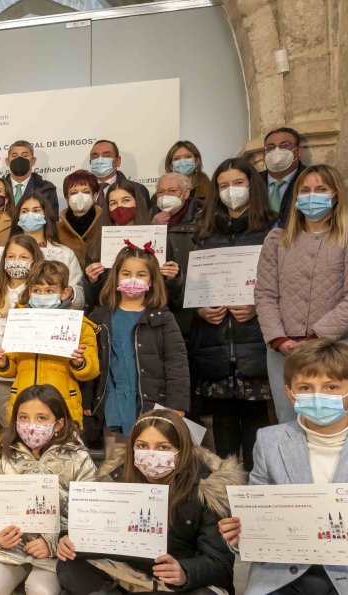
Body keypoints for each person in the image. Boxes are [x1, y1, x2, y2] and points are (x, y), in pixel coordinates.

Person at [217, 340, 348, 595]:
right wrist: (241, 535)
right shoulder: (269, 441)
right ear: (291, 394)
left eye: (331, 387)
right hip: (282, 576)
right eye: (306, 388)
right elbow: (259, 515)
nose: (318, 396)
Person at [56, 409, 242, 594]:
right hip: (127, 574)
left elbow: (220, 563)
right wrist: (68, 540)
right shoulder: (115, 479)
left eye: (163, 447)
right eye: (142, 446)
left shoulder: (208, 488)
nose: (151, 455)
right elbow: (93, 534)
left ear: (182, 449)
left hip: (176, 583)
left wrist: (184, 572)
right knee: (68, 567)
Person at [255, 163, 348, 423]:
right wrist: (278, 339)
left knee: (338, 428)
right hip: (285, 352)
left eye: (321, 189)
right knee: (290, 426)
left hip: (337, 347)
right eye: (305, 190)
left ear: (335, 195)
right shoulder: (277, 240)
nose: (312, 195)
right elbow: (265, 293)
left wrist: (316, 337)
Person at [187, 158, 276, 471]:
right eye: (223, 185)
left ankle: (255, 491)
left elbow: (284, 281)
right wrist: (200, 306)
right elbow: (193, 282)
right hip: (215, 341)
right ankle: (226, 492)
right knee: (222, 423)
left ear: (252, 185)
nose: (231, 191)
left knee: (256, 421)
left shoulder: (272, 229)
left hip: (254, 339)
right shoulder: (204, 232)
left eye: (238, 183)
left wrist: (257, 305)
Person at [0, 384, 97, 595]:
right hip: (11, 548)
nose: (31, 425)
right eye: (23, 417)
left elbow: (90, 516)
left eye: (41, 418)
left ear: (58, 424)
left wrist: (52, 542)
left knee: (41, 591)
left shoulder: (79, 459)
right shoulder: (5, 456)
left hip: (53, 553)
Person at [88, 245, 189, 451]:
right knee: (115, 464)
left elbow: (176, 363)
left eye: (141, 274)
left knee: (149, 462)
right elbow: (90, 363)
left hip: (152, 404)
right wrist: (87, 401)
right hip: (112, 405)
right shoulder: (98, 317)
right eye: (126, 273)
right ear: (116, 276)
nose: (132, 279)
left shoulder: (163, 318)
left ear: (151, 280)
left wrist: (177, 404)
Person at [0, 261, 98, 428]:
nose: (42, 295)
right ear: (29, 292)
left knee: (62, 453)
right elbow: (11, 367)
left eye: (49, 291)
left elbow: (92, 370)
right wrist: (3, 363)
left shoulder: (80, 326)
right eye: (36, 290)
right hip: (24, 406)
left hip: (63, 407)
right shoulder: (20, 321)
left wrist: (80, 362)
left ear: (64, 293)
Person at [0, 235, 45, 429]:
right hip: (1, 378)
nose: (17, 262)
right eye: (11, 256)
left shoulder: (42, 294)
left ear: (35, 260)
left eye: (24, 257)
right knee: (8, 430)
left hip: (32, 373)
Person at [82, 181, 180, 308]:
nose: (119, 207)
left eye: (126, 200)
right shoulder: (96, 244)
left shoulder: (157, 238)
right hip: (110, 314)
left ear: (137, 202)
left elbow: (170, 296)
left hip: (149, 314)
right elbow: (92, 300)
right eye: (113, 203)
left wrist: (173, 278)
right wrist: (91, 281)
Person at [0, 193, 85, 309]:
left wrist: (70, 293)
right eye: (24, 211)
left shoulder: (65, 254)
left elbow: (80, 298)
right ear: (18, 217)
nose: (30, 215)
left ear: (46, 215)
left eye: (36, 210)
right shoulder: (1, 254)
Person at [152, 172, 203, 332]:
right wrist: (152, 226)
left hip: (193, 303)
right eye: (161, 192)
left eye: (172, 191)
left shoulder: (203, 216)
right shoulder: (148, 215)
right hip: (158, 303)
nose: (165, 195)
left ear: (186, 193)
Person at [259, 126, 306, 225]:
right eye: (270, 147)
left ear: (299, 151)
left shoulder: (311, 178)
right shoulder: (253, 181)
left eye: (285, 145)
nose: (277, 151)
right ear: (264, 155)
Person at [56, 169, 103, 265]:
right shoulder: (56, 229)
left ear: (94, 196)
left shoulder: (105, 224)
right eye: (73, 193)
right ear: (66, 198)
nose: (80, 196)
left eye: (85, 192)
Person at [89, 139, 151, 209]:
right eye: (95, 156)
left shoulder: (138, 190)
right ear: (90, 161)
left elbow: (143, 218)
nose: (100, 160)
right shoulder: (79, 190)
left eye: (106, 155)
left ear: (118, 161)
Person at [2, 140, 59, 215]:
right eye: (14, 156)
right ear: (7, 161)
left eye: (25, 156)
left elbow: (51, 221)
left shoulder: (47, 190)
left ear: (33, 161)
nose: (19, 159)